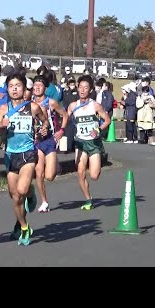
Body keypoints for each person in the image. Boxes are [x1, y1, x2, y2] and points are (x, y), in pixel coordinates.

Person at [0, 71, 49, 246]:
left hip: (28, 153)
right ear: (7, 89)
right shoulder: (3, 109)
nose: (14, 89)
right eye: (11, 86)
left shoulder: (33, 107)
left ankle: (30, 194)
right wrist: (1, 124)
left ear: (24, 89)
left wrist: (44, 128)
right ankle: (24, 227)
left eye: (18, 86)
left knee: (22, 190)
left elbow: (45, 122)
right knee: (15, 197)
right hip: (10, 155)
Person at [67, 75, 110, 210]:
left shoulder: (95, 105)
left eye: (86, 88)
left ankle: (98, 161)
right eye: (80, 87)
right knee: (80, 171)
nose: (82, 90)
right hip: (80, 142)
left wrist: (98, 129)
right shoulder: (73, 106)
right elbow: (65, 120)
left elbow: (107, 120)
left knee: (94, 175)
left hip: (93, 143)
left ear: (90, 90)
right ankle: (88, 199)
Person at [32, 75, 68, 212]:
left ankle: (55, 165)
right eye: (35, 85)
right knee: (39, 172)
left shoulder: (51, 102)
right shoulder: (29, 103)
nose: (36, 87)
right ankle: (44, 201)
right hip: (36, 142)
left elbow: (65, 115)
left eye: (40, 85)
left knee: (50, 176)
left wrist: (62, 130)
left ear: (45, 88)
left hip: (50, 141)